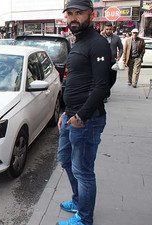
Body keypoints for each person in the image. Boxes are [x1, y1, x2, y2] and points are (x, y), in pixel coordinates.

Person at [58, 0, 111, 225]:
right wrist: (65, 114)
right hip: (71, 116)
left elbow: (102, 86)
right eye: (69, 13)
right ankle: (79, 201)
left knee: (83, 170)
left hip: (87, 120)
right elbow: (75, 81)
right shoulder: (78, 42)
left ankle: (85, 219)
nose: (73, 18)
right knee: (66, 160)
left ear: (91, 14)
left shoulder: (97, 44)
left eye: (79, 13)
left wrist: (80, 117)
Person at [102, 23, 123, 102]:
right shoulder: (101, 38)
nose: (108, 31)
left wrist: (119, 56)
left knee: (113, 79)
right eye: (107, 29)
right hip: (104, 61)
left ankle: (107, 90)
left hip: (113, 61)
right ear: (105, 29)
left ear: (112, 29)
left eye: (110, 29)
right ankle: (105, 95)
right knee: (105, 78)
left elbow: (121, 48)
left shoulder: (116, 38)